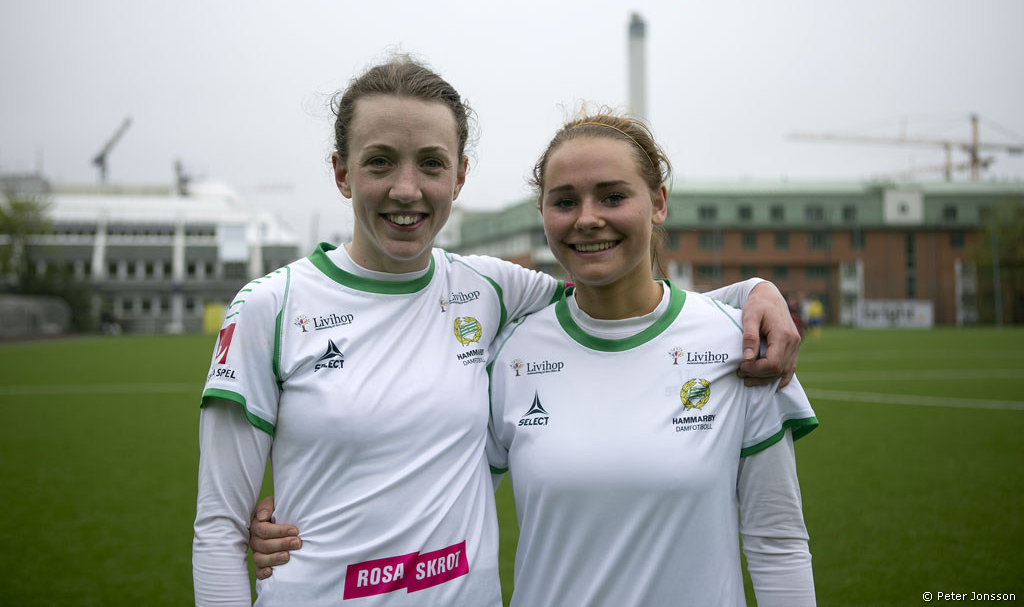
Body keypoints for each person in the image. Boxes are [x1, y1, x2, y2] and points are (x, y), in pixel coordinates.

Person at [193, 56, 802, 606]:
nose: (406, 188)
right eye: (379, 161)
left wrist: (753, 294)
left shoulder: (488, 289)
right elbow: (219, 529)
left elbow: (624, 303)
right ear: (341, 172)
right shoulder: (272, 306)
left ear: (459, 176)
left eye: (431, 163)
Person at [484, 110, 819, 606]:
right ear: (543, 213)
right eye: (565, 201)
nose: (587, 218)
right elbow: (454, 522)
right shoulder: (510, 355)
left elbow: (778, 544)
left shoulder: (742, 344)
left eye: (613, 196)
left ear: (659, 203)